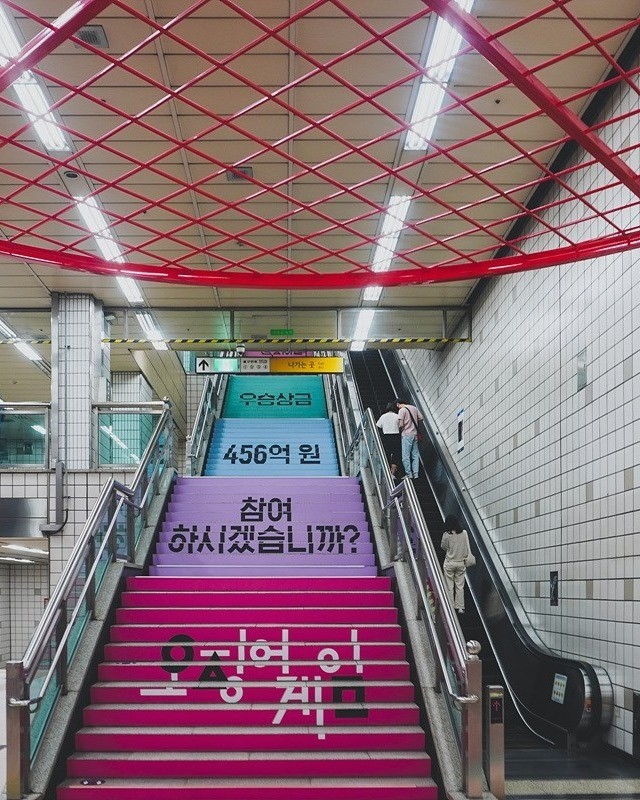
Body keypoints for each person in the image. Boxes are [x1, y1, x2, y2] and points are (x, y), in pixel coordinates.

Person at [441, 514, 471, 614]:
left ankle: (450, 606)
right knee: (460, 585)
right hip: (461, 563)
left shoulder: (446, 535)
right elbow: (467, 546)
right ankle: (460, 608)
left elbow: (443, 547)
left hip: (450, 562)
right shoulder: (464, 533)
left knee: (449, 585)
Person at [396, 398, 423, 479]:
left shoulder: (402, 410)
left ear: (398, 404)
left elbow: (401, 425)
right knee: (415, 455)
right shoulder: (414, 408)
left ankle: (409, 474)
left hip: (406, 434)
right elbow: (421, 418)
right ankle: (416, 474)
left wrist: (402, 426)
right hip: (415, 434)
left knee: (405, 455)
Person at [376, 402, 401, 477]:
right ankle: (393, 472)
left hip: (386, 436)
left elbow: (378, 426)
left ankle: (387, 470)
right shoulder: (397, 416)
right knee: (396, 453)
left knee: (387, 452)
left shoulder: (383, 416)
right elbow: (401, 425)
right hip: (396, 436)